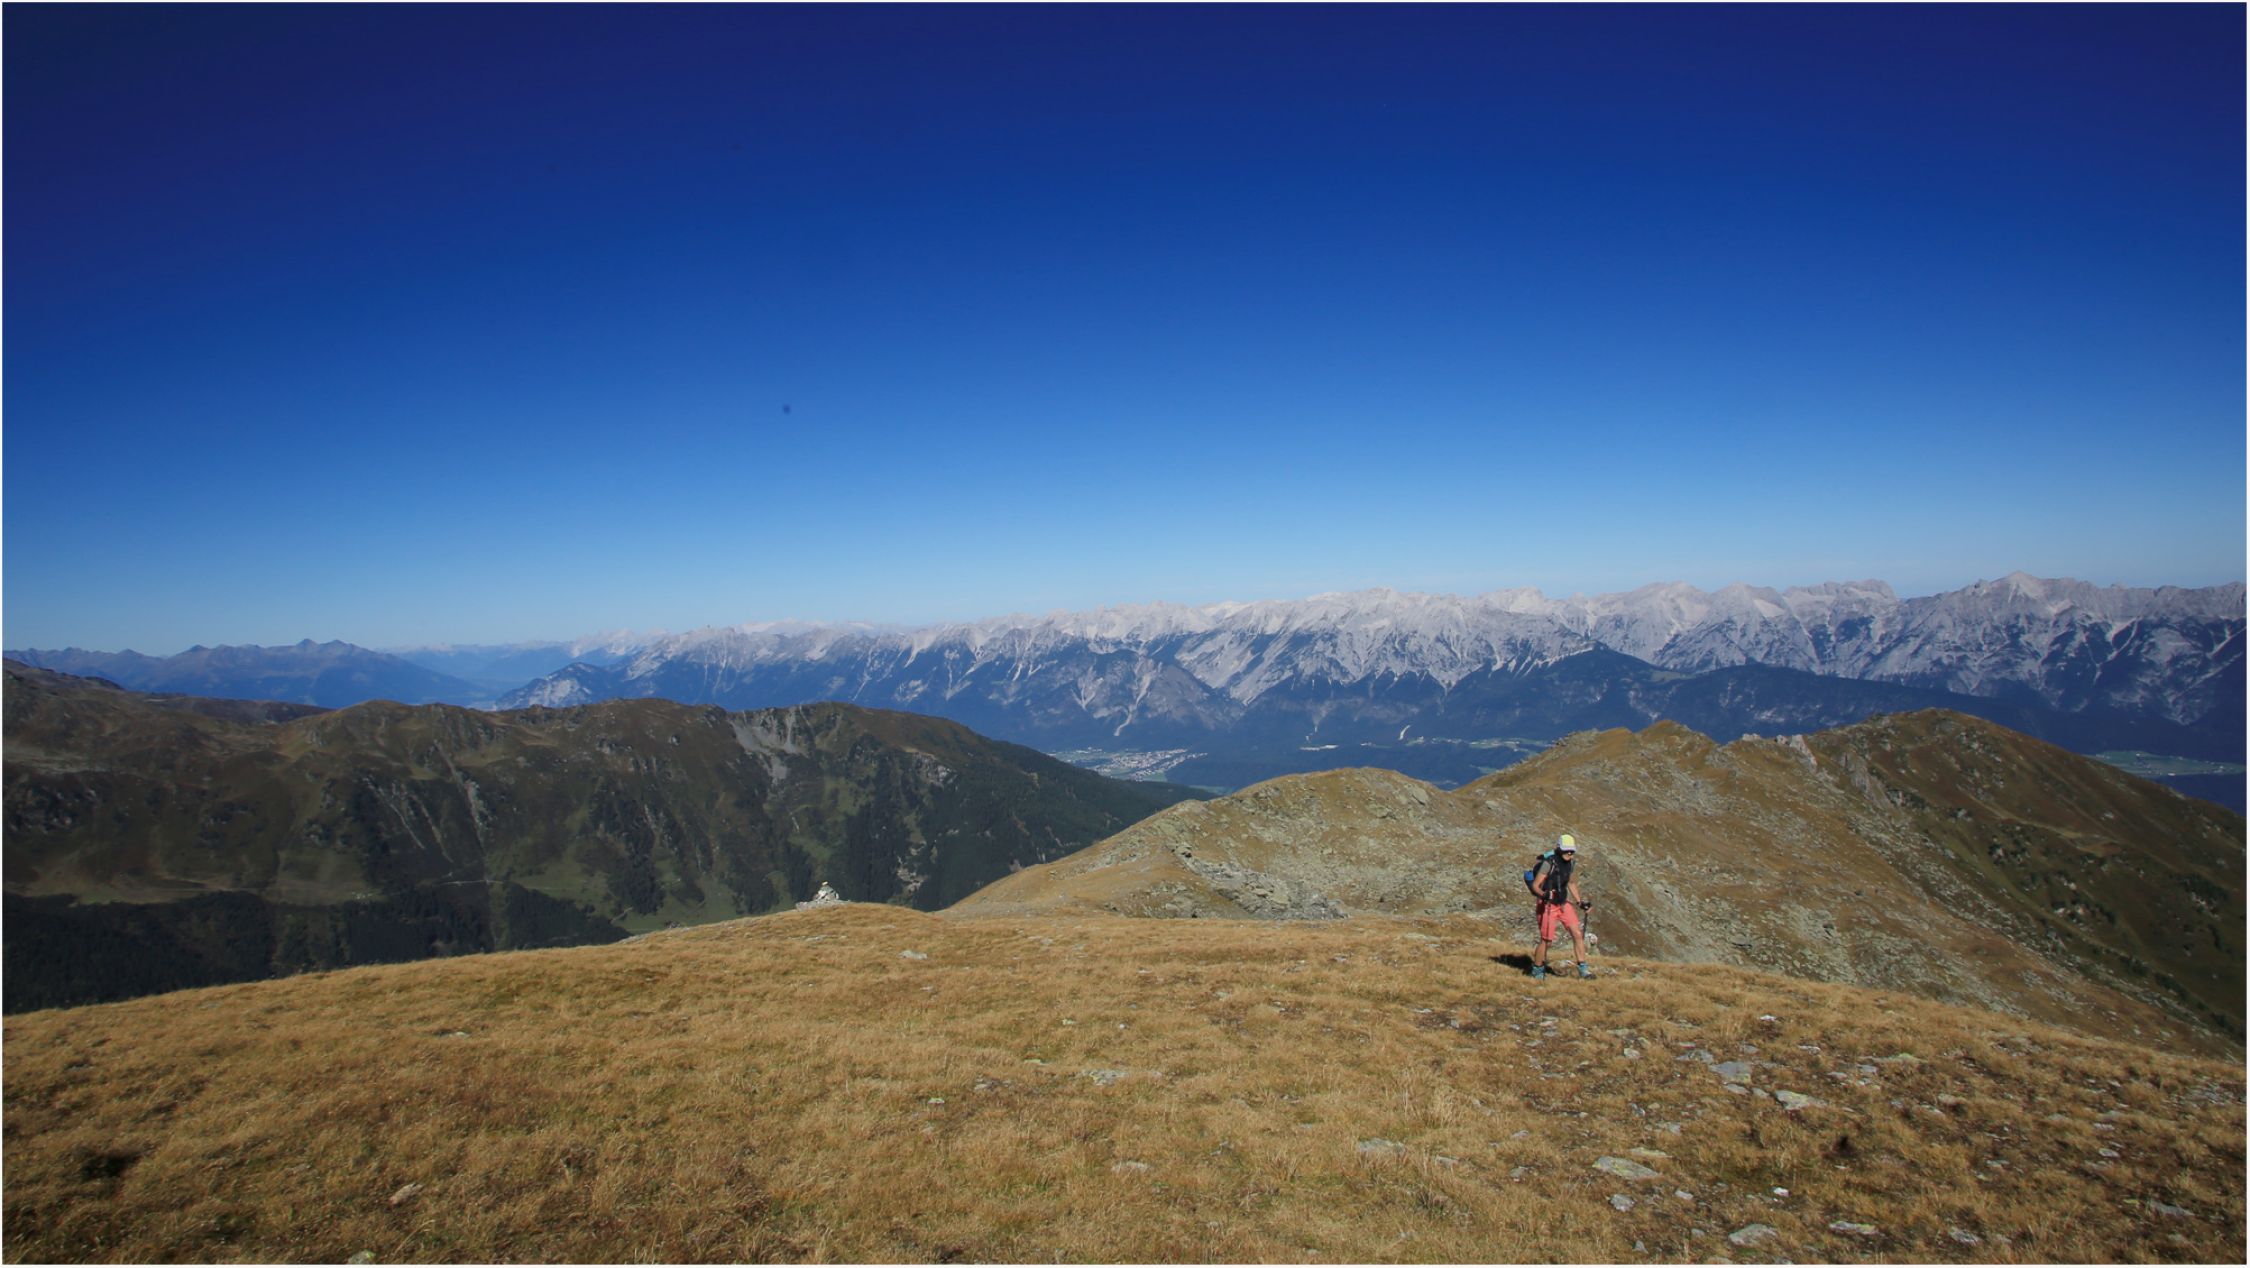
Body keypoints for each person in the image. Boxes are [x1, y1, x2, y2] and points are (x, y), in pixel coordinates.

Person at [1528, 833, 1592, 980]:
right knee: (1547, 940)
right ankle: (1537, 970)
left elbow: (1570, 883)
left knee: (1577, 933)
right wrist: (1544, 895)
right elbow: (1535, 885)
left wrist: (1579, 902)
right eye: (1566, 850)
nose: (1569, 853)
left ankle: (1583, 968)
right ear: (1559, 849)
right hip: (1547, 905)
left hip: (1563, 903)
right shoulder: (1549, 863)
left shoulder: (1571, 863)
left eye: (1571, 851)